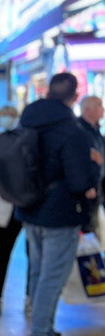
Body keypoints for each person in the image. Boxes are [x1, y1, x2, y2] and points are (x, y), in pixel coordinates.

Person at [17, 73, 99, 336]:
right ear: (74, 96)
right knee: (53, 275)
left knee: (40, 272)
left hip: (30, 209)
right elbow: (79, 182)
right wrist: (94, 167)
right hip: (60, 212)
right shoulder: (72, 131)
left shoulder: (28, 121)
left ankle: (39, 330)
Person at [0, 106, 24, 319]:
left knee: (33, 255)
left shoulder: (29, 140)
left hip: (28, 206)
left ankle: (30, 298)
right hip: (4, 205)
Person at [79, 95, 105, 235]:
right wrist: (88, 184)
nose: (103, 109)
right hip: (88, 187)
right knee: (89, 227)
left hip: (100, 183)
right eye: (99, 106)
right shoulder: (79, 131)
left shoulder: (96, 130)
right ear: (88, 110)